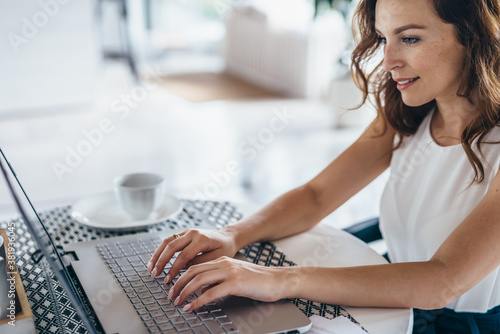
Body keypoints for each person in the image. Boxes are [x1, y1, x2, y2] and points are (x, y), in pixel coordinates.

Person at [148, 0, 500, 332]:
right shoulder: (408, 112)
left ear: (476, 36)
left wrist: (279, 280)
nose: (388, 60)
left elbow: (442, 281)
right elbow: (317, 195)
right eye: (383, 38)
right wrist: (232, 234)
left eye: (409, 38)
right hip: (395, 302)